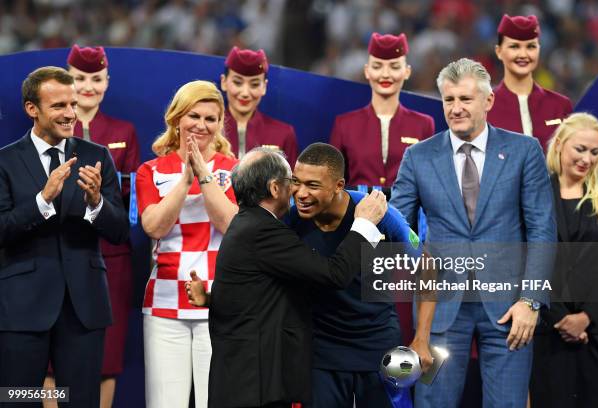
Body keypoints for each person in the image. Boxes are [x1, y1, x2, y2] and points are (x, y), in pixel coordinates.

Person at [390, 58, 556, 407]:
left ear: (488, 101)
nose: (456, 108)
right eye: (449, 100)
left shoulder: (524, 151)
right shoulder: (418, 157)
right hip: (439, 311)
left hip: (510, 307)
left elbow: (542, 229)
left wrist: (531, 300)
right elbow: (398, 228)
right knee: (433, 403)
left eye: (465, 99)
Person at [186, 147, 388, 407]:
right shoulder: (265, 231)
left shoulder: (247, 224)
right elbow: (334, 274)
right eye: (292, 181)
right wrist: (364, 224)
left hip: (245, 381)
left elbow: (256, 293)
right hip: (255, 386)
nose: (298, 191)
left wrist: (212, 298)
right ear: (274, 188)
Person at [0, 66, 129, 407]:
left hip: (83, 306)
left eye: (72, 104)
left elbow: (119, 232)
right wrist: (42, 200)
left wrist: (96, 203)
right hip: (22, 308)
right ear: (32, 109)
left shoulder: (96, 156)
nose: (71, 113)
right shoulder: (5, 162)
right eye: (59, 106)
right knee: (18, 399)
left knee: (80, 401)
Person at [286, 142, 435, 407]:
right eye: (296, 182)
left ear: (339, 186)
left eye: (313, 185)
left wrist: (422, 338)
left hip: (378, 346)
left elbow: (428, 268)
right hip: (321, 351)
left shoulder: (379, 214)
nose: (301, 193)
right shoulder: (290, 217)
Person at [44, 43, 141, 408]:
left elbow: (128, 201)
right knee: (49, 358)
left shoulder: (124, 131)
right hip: (56, 253)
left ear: (107, 82)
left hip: (110, 259)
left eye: (95, 78)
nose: (87, 86)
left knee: (106, 360)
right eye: (79, 78)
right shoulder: (46, 126)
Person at [135, 80, 238, 408]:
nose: (202, 125)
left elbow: (232, 226)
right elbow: (154, 227)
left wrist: (204, 176)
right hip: (164, 304)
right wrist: (184, 182)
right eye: (194, 115)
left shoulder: (234, 170)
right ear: (177, 118)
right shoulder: (150, 170)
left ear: (221, 124)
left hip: (220, 305)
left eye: (211, 118)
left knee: (218, 402)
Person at [530, 112, 598, 407]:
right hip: (549, 330)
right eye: (580, 149)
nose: (587, 159)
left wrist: (586, 317)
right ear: (561, 144)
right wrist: (561, 319)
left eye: (595, 152)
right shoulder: (535, 196)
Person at [329, 32, 435, 189]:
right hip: (357, 211)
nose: (385, 74)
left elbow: (429, 183)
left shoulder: (423, 124)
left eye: (394, 66)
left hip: (405, 213)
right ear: (367, 71)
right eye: (377, 66)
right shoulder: (344, 125)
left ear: (407, 72)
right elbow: (332, 184)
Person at [488, 14, 573, 151]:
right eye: (514, 46)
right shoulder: (484, 108)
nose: (523, 54)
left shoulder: (560, 106)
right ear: (499, 51)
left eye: (531, 47)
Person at [221, 46, 299, 166]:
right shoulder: (209, 130)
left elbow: (291, 182)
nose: (245, 93)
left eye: (254, 84)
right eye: (237, 82)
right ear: (224, 82)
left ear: (264, 86)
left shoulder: (283, 134)